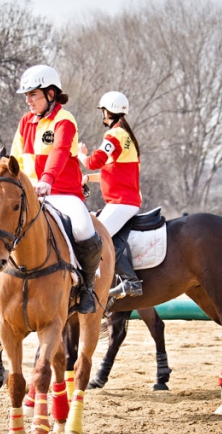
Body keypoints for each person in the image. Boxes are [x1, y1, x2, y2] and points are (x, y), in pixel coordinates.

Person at [0, 65, 102, 315]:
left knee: (83, 229)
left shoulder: (64, 120)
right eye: (27, 95)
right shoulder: (25, 121)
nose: (28, 100)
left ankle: (87, 288)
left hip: (64, 193)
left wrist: (46, 179)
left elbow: (59, 152)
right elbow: (17, 158)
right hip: (29, 193)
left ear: (50, 94)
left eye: (33, 94)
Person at [78, 91, 143, 299]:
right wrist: (89, 178)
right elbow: (112, 173)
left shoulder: (114, 135)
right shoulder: (125, 136)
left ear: (108, 111)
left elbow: (93, 161)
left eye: (103, 111)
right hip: (126, 201)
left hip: (122, 202)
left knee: (96, 237)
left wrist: (81, 154)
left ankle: (130, 281)